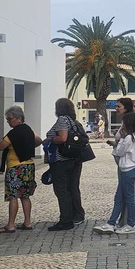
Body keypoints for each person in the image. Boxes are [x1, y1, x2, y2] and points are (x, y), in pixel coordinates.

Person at [95, 113, 135, 235]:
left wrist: (121, 139)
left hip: (128, 169)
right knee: (119, 197)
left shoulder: (128, 138)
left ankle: (130, 224)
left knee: (128, 198)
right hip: (131, 169)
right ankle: (111, 222)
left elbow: (119, 151)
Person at [0, 106, 38, 233]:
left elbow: (0, 147)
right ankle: (28, 222)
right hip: (29, 166)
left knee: (13, 196)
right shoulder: (29, 130)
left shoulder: (13, 133)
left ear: (19, 118)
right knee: (25, 195)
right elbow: (39, 140)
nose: (8, 121)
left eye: (10, 119)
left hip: (15, 167)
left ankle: (11, 225)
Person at [46, 98, 85, 231]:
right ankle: (77, 215)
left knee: (61, 189)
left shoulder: (62, 119)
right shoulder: (74, 121)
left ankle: (65, 220)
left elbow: (62, 138)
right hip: (75, 159)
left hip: (62, 159)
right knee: (73, 187)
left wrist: (50, 139)